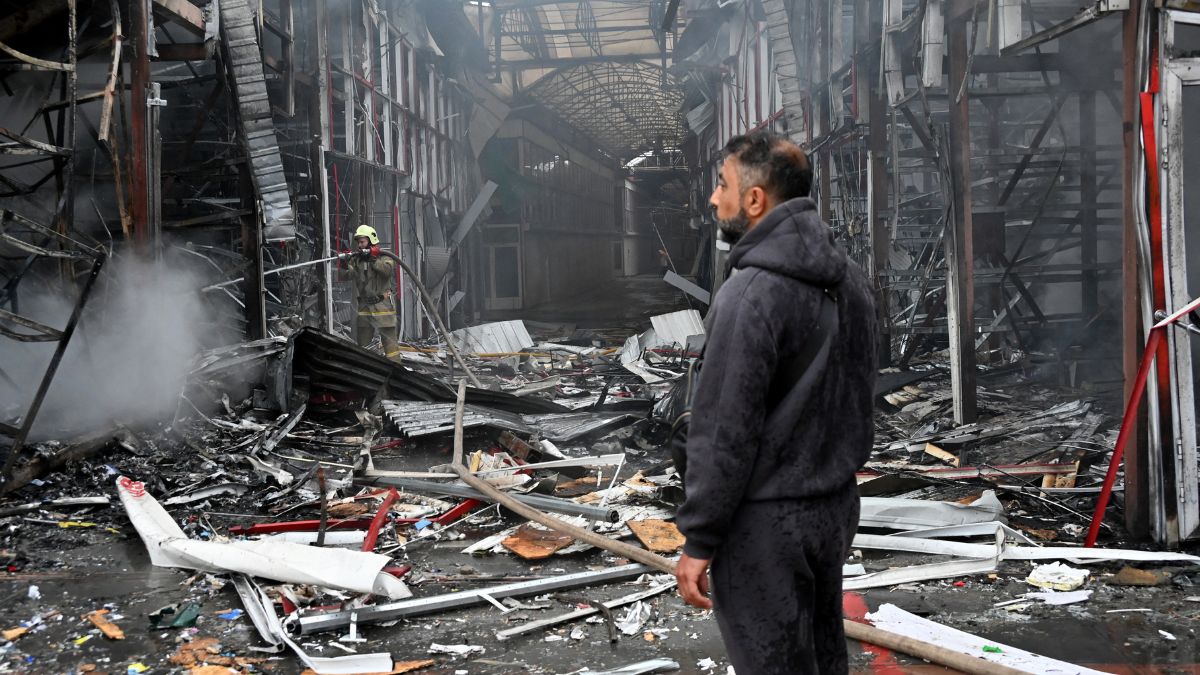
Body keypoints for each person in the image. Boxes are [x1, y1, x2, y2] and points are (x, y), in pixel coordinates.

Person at [674, 130, 878, 675]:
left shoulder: (749, 295)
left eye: (722, 185)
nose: (714, 198)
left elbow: (724, 430)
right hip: (833, 508)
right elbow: (861, 393)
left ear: (756, 199)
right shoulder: (851, 280)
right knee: (823, 656)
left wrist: (700, 537)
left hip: (764, 525)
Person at [346, 224, 400, 359]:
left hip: (383, 308)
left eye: (362, 242)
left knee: (391, 349)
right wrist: (343, 263)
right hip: (365, 308)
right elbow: (345, 276)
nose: (359, 245)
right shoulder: (356, 260)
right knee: (363, 349)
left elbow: (387, 272)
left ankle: (396, 375)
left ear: (371, 241)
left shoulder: (384, 257)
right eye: (358, 242)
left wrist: (373, 259)